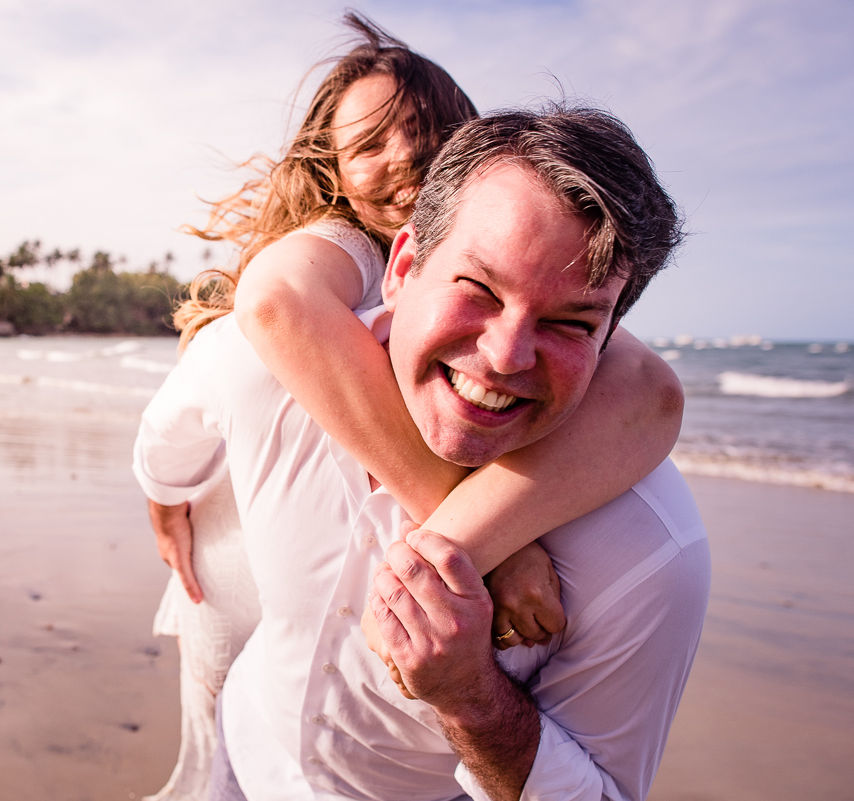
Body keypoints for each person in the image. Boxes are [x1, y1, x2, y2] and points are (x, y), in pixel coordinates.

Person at [143, 16, 682, 801]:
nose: (402, 161)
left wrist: (471, 531)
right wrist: (482, 540)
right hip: (229, 549)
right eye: (368, 147)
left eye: (425, 135)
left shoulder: (498, 256)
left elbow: (650, 393)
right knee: (218, 721)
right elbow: (275, 299)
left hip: (277, 591)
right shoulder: (342, 246)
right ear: (329, 170)